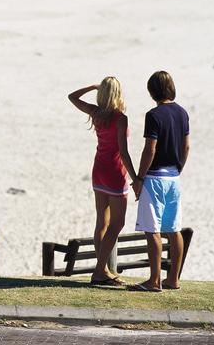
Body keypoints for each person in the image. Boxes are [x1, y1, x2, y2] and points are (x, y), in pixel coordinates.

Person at [68, 77, 138, 286]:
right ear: (118, 94)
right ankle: (100, 271)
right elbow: (124, 153)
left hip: (98, 170)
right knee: (117, 223)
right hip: (115, 173)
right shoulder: (120, 118)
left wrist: (92, 87)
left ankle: (104, 269)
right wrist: (135, 179)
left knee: (102, 222)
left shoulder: (96, 113)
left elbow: (72, 97)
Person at [129, 71, 190, 292]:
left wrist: (139, 177)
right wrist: (179, 167)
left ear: (152, 91)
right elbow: (186, 146)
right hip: (174, 177)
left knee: (152, 230)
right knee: (174, 229)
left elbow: (150, 149)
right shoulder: (182, 113)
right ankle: (173, 278)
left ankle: (154, 281)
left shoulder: (153, 115)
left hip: (154, 177)